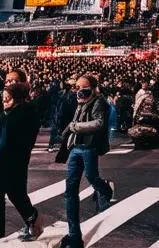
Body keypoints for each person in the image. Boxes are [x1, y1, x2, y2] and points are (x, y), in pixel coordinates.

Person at [58, 74, 114, 248]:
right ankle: (74, 236)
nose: (79, 90)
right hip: (76, 147)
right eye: (77, 87)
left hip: (89, 147)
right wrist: (68, 129)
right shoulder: (80, 100)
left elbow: (99, 123)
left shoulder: (99, 102)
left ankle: (105, 187)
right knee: (70, 189)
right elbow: (74, 119)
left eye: (83, 87)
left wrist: (75, 127)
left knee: (91, 176)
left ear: (93, 87)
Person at [0, 80, 42, 242]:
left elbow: (16, 140)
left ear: (18, 99)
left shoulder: (25, 114)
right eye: (3, 99)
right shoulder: (9, 113)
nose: (4, 102)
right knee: (15, 194)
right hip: (5, 158)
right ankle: (33, 221)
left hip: (11, 160)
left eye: (8, 99)